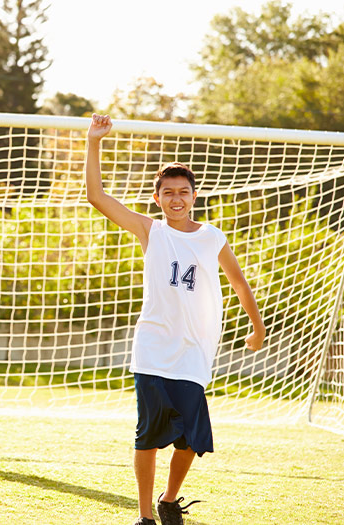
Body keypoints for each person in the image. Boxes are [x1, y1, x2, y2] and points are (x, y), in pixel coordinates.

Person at [84, 114, 266, 525]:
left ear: (195, 195)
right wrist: (94, 141)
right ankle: (145, 516)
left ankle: (170, 499)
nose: (177, 199)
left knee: (190, 440)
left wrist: (257, 326)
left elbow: (238, 282)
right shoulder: (150, 231)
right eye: (169, 193)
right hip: (152, 349)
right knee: (147, 435)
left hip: (193, 354)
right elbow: (96, 196)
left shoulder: (212, 237)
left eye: (184, 192)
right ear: (157, 198)